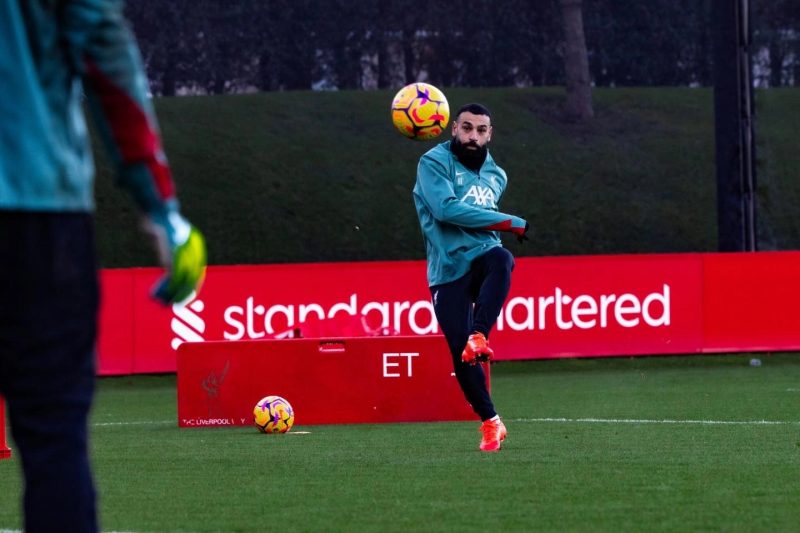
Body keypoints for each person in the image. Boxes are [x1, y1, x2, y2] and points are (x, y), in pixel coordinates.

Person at [0, 1, 207, 531]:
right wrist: (159, 205)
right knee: (53, 441)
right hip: (34, 210)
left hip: (36, 208)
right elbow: (105, 58)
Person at [413, 102, 529, 453]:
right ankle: (491, 422)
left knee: (502, 258)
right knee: (459, 354)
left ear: (489, 134)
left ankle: (480, 334)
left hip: (481, 257)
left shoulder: (498, 175)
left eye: (480, 130)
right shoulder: (433, 163)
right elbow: (445, 210)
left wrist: (500, 226)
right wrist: (508, 221)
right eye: (466, 128)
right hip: (447, 269)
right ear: (453, 129)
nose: (473, 135)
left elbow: (480, 221)